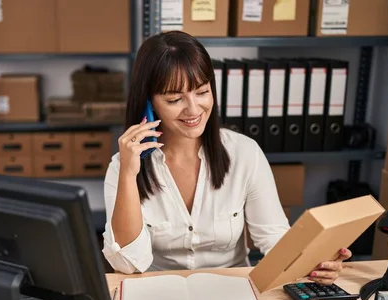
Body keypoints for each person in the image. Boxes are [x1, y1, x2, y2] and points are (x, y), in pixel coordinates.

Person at [101, 31, 351, 285]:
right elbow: (128, 264)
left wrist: (313, 263)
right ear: (148, 103)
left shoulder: (244, 152)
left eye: (202, 91)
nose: (194, 109)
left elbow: (273, 237)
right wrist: (129, 174)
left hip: (233, 291)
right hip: (159, 292)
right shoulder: (123, 166)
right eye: (175, 99)